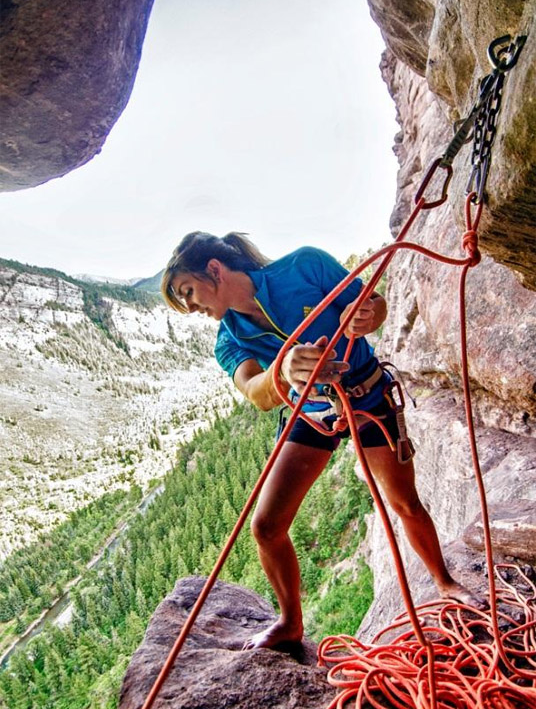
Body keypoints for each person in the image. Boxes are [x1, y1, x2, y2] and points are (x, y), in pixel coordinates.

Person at [161, 231, 482, 650]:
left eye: (188, 292)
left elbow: (372, 303)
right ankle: (291, 623)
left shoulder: (304, 266)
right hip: (311, 413)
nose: (191, 308)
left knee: (404, 503)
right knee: (266, 526)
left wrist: (370, 315)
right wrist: (284, 368)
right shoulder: (230, 338)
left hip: (366, 396)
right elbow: (257, 393)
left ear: (214, 270)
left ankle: (444, 582)